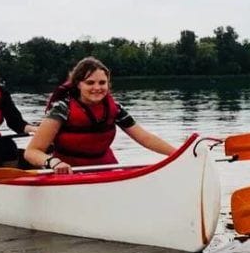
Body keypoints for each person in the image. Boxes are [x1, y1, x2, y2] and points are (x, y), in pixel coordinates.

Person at [23, 57, 175, 174]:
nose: (97, 88)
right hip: (67, 173)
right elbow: (32, 152)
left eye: (102, 83)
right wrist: (53, 162)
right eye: (90, 83)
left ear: (108, 84)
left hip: (105, 169)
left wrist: (178, 154)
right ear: (78, 84)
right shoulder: (61, 109)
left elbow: (145, 138)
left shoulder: (116, 109)